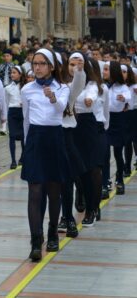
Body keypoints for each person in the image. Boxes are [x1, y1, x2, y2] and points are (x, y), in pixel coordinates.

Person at [21, 48, 70, 262]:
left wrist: (52, 97)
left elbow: (61, 109)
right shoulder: (27, 89)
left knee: (53, 190)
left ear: (51, 66)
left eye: (42, 63)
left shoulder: (62, 87)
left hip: (54, 138)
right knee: (34, 191)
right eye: (35, 63)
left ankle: (52, 233)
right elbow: (26, 118)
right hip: (35, 138)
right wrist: (26, 145)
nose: (38, 67)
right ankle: (35, 240)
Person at [75, 57, 108, 226]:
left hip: (97, 129)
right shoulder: (72, 85)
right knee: (81, 170)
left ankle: (93, 208)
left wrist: (103, 129)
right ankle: (82, 195)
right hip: (78, 128)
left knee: (95, 169)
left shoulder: (100, 88)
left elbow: (105, 111)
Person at [58, 52, 87, 239]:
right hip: (48, 137)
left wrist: (79, 71)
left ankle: (67, 217)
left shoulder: (67, 88)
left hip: (67, 135)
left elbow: (78, 85)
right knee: (52, 183)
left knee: (68, 180)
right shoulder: (35, 88)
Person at [106, 61, 131, 195]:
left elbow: (128, 96)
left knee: (117, 153)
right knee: (105, 154)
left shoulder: (122, 87)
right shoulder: (103, 86)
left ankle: (119, 179)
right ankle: (105, 182)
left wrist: (123, 98)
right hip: (106, 119)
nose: (104, 72)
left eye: (107, 69)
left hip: (118, 120)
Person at [5, 66, 25, 169]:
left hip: (22, 112)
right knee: (12, 136)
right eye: (11, 73)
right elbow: (6, 102)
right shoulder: (8, 88)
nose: (12, 74)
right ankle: (13, 160)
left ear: (20, 74)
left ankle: (22, 157)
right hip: (12, 112)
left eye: (14, 72)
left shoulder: (25, 87)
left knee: (23, 136)